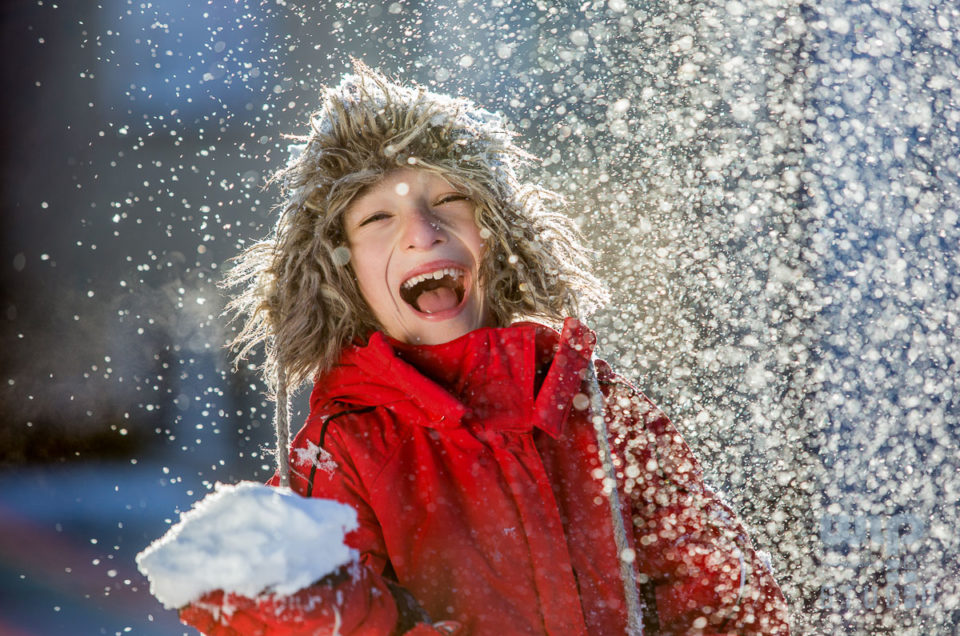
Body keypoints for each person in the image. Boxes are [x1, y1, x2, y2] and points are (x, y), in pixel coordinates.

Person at [179, 62, 790, 635]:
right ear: (342, 273)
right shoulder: (347, 445)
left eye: (448, 199)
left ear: (494, 233)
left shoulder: (596, 409)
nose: (423, 231)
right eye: (376, 219)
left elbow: (726, 601)